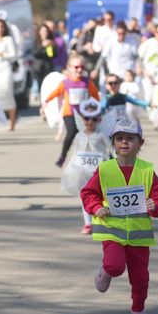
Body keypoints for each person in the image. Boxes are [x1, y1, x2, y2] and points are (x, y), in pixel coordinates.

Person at [81, 117, 158, 314]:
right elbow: (88, 193)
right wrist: (95, 207)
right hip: (111, 230)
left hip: (139, 235)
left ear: (140, 143)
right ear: (113, 142)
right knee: (115, 266)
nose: (124, 143)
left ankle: (138, 312)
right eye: (119, 138)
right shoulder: (105, 169)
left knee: (139, 278)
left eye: (130, 138)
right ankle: (104, 272)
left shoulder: (147, 171)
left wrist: (153, 205)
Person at [60, 99, 111, 234]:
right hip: (82, 170)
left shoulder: (101, 135)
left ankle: (105, 218)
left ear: (99, 120)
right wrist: (70, 166)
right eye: (87, 119)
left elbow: (111, 150)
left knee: (102, 196)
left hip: (99, 170)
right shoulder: (79, 135)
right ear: (82, 119)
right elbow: (75, 153)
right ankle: (87, 223)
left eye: (93, 119)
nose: (90, 122)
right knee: (85, 195)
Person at [44, 55, 100, 167]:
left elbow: (95, 96)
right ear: (69, 68)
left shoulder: (87, 82)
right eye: (76, 67)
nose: (79, 69)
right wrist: (46, 101)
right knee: (71, 132)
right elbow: (56, 92)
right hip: (69, 112)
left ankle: (84, 156)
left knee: (86, 135)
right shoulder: (66, 82)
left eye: (82, 67)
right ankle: (63, 155)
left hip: (84, 114)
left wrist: (97, 109)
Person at [32, 24, 57, 94]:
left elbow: (52, 55)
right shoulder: (36, 42)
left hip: (48, 67)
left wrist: (51, 46)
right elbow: (35, 54)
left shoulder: (50, 42)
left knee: (48, 87)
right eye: (42, 31)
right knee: (41, 87)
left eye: (46, 31)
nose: (44, 33)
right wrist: (42, 46)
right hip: (39, 68)